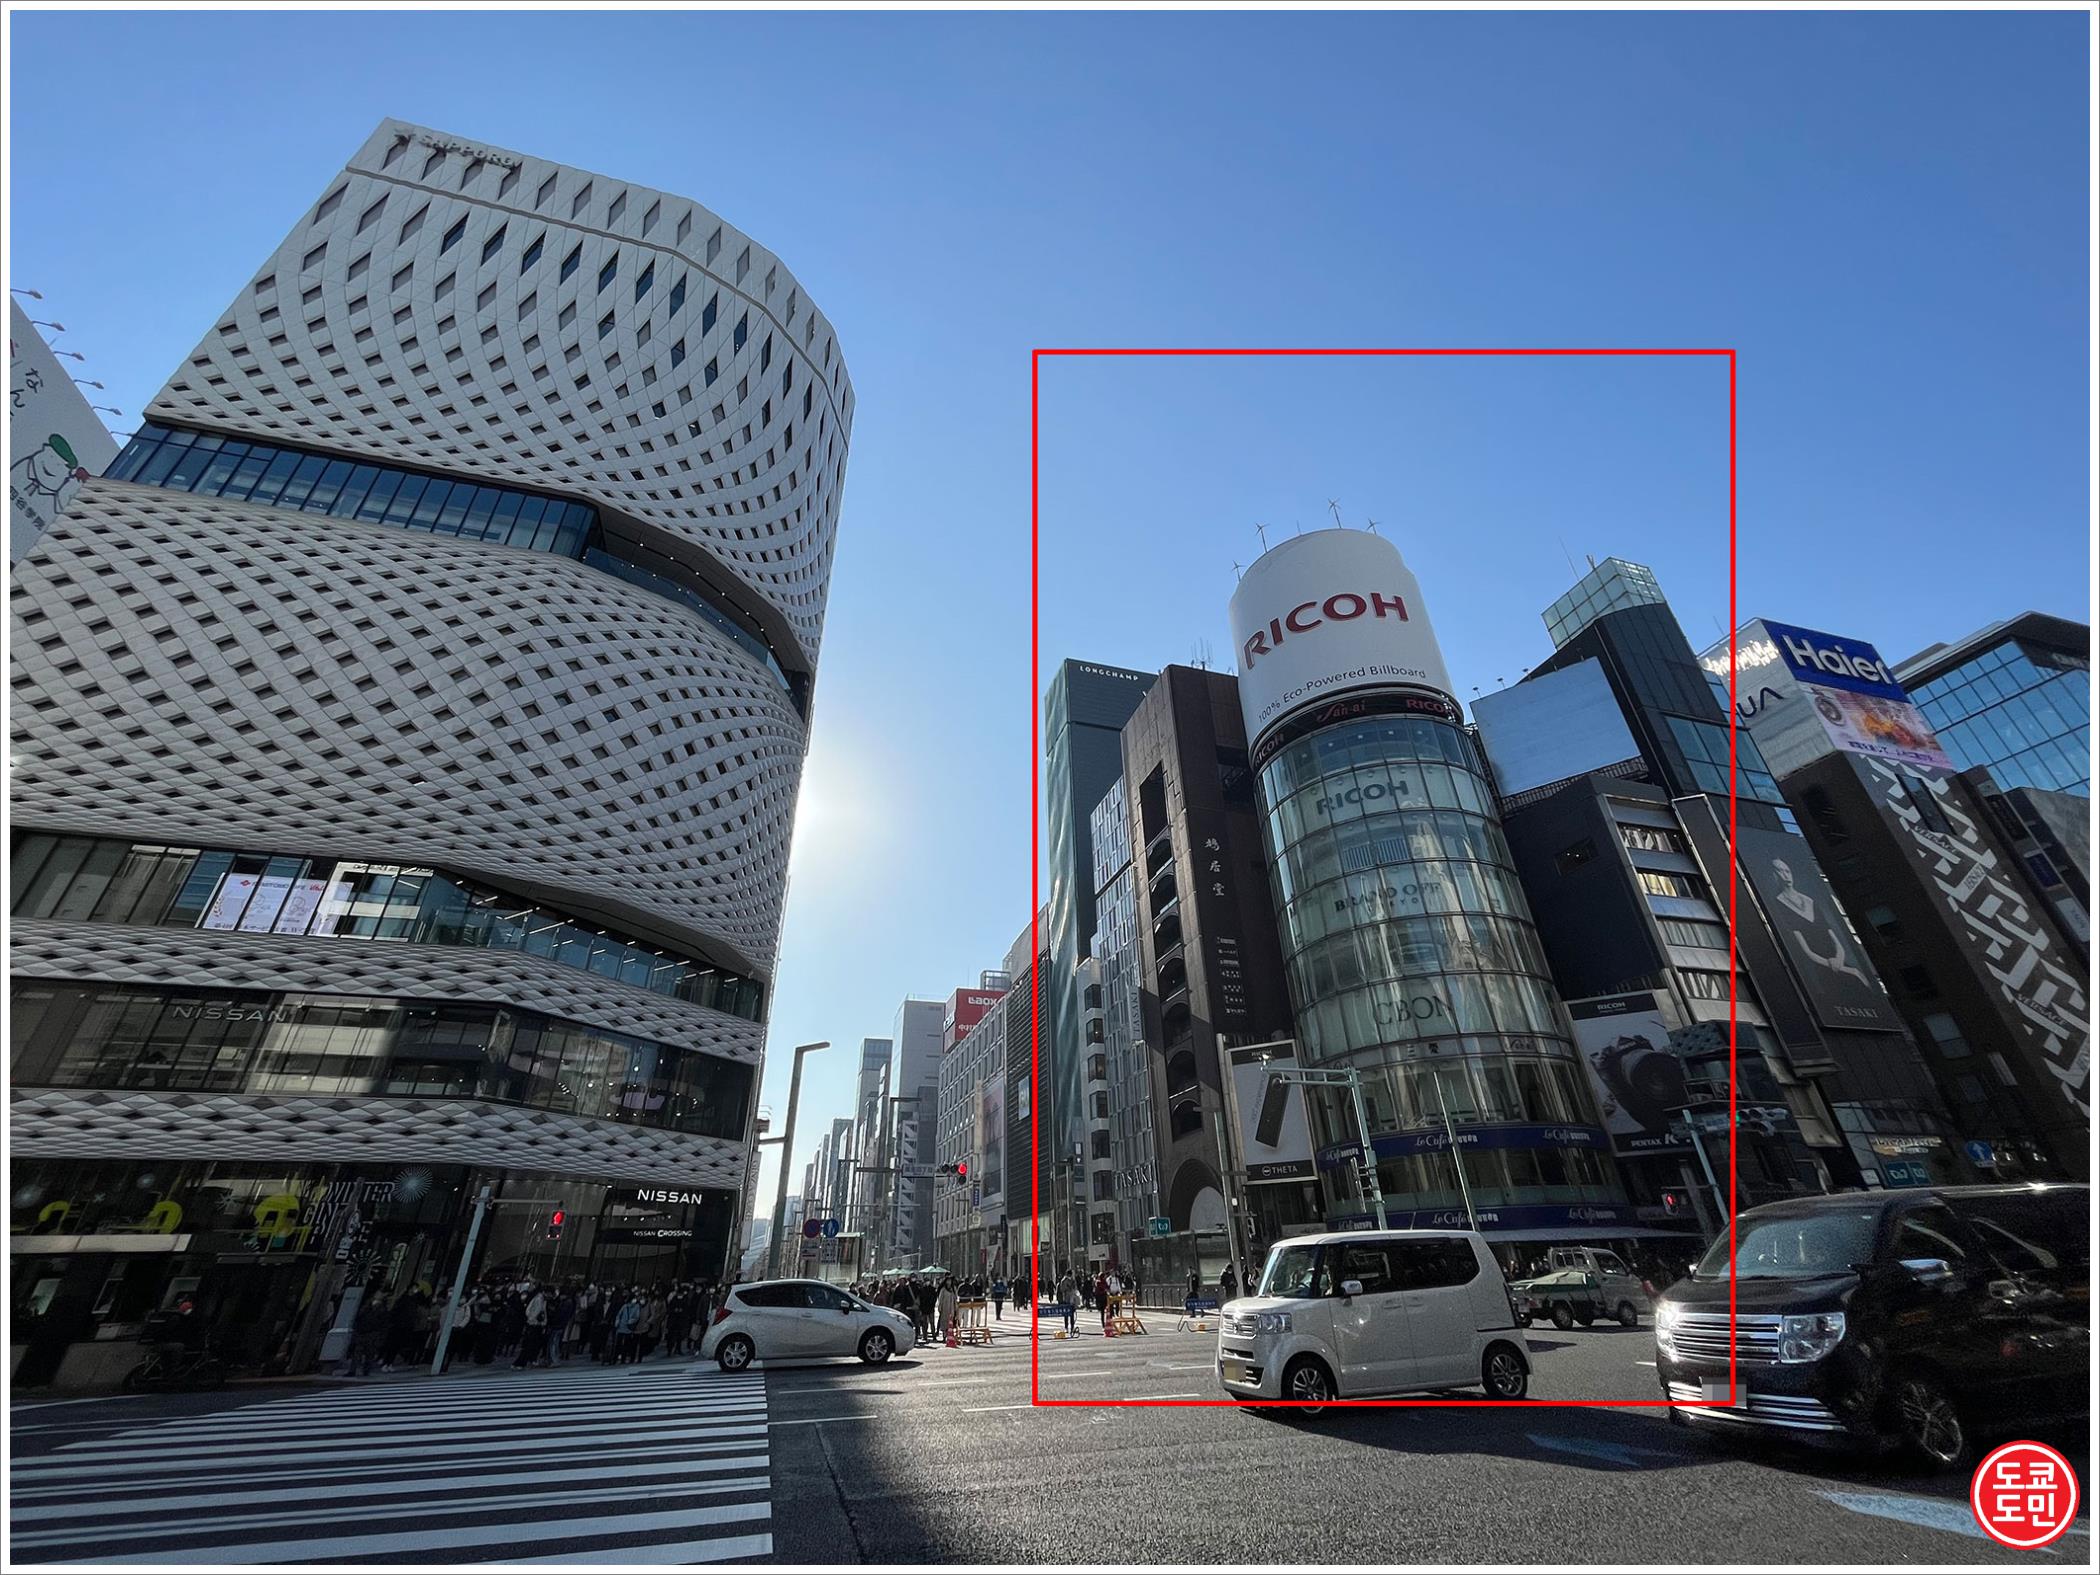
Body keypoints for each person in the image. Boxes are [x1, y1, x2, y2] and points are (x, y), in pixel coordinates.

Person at [937, 1278, 959, 1343]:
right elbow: (940, 1299)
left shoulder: (953, 1289)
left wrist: (956, 1308)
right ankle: (944, 1337)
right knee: (944, 1323)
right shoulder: (943, 1290)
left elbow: (955, 1298)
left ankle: (949, 1337)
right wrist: (940, 1307)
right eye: (948, 1281)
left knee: (950, 1323)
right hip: (944, 1308)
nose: (949, 1282)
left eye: (950, 1281)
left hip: (951, 1309)